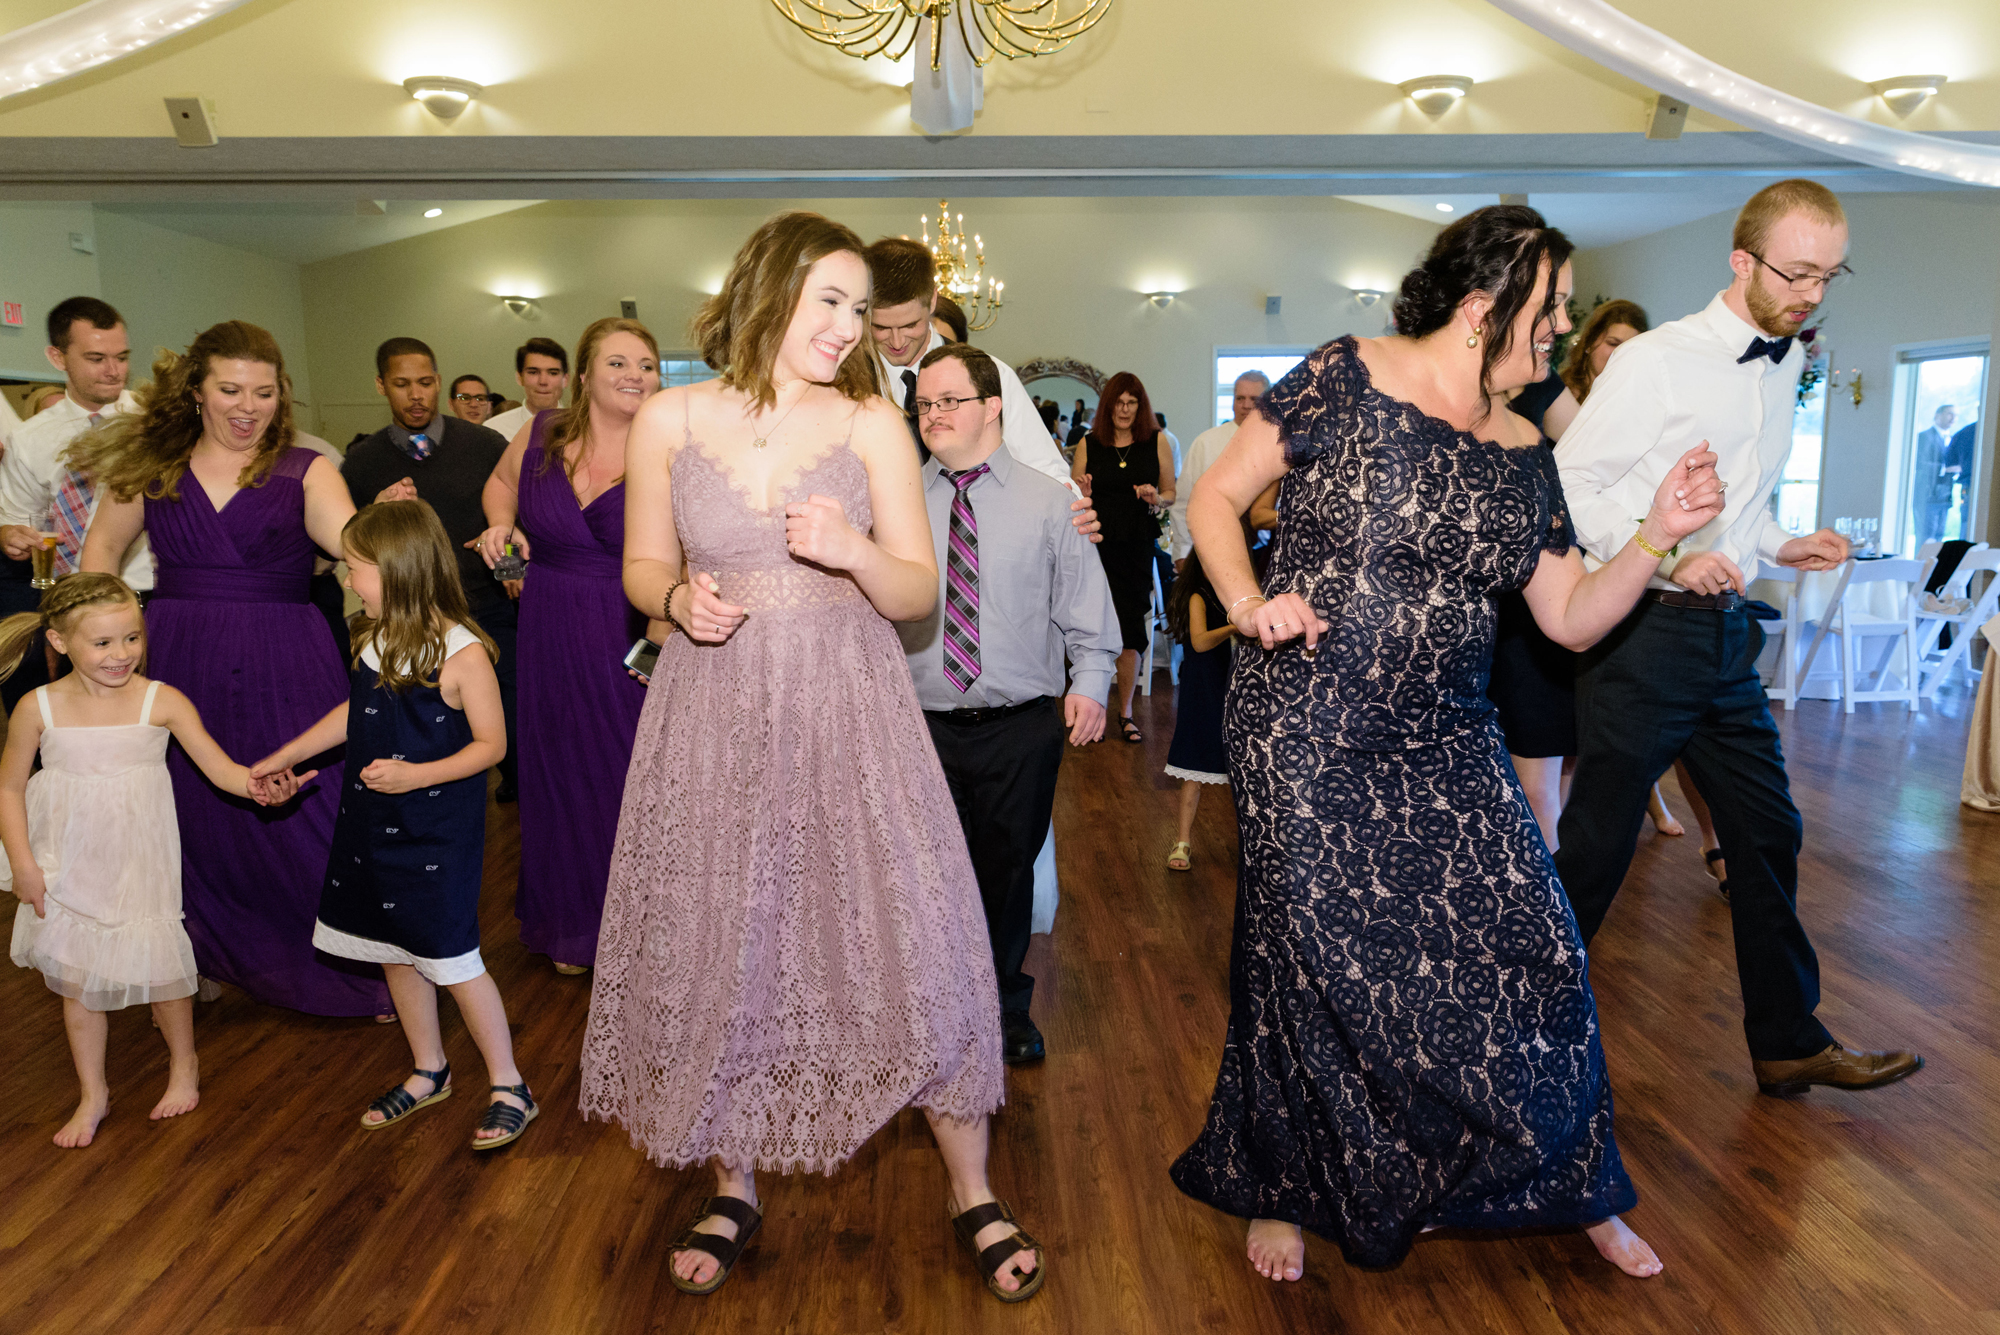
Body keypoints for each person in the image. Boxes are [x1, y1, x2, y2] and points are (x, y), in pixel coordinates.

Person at [1172, 204, 1729, 1283]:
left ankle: (1571, 1179)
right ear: (1484, 307)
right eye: (1551, 309)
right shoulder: (1345, 375)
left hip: (1445, 733)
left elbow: (1565, 615)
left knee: (1540, 943)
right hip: (1304, 723)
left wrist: (1657, 534)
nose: (1559, 330)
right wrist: (1246, 601)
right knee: (1305, 955)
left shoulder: (1524, 450)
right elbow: (1216, 494)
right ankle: (1280, 1185)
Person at [579, 211, 1040, 1303]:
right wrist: (673, 600)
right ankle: (733, 1178)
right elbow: (642, 564)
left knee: (908, 922)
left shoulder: (873, 423)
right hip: (713, 706)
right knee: (724, 929)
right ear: (768, 291)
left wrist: (852, 551)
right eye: (829, 302)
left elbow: (917, 595)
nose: (849, 327)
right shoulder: (670, 421)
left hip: (849, 701)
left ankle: (970, 1184)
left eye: (857, 307)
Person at [1552, 179, 1923, 1099]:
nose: (1812, 295)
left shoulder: (1782, 363)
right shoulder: (1657, 363)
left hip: (1724, 642)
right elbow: (1569, 486)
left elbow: (1739, 505)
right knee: (1596, 853)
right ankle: (1505, 1044)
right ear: (1741, 260)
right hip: (1640, 637)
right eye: (1798, 273)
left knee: (1768, 830)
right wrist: (1669, 558)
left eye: (1830, 277)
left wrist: (1775, 541)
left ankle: (1788, 1039)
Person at [76, 321, 388, 1018]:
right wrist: (94, 644)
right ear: (197, 391)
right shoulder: (151, 467)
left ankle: (341, 961)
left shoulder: (308, 470)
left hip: (287, 659)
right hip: (177, 654)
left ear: (283, 397)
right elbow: (100, 551)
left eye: (265, 392)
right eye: (230, 389)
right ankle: (204, 951)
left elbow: (348, 538)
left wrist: (382, 534)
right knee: (188, 813)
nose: (248, 406)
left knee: (308, 806)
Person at [249, 500, 532, 1147]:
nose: (349, 581)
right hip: (372, 825)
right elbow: (354, 713)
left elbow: (491, 745)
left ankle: (510, 1082)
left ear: (400, 571)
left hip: (435, 832)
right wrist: (286, 754)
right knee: (395, 953)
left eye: (357, 569)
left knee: (453, 958)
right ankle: (429, 1068)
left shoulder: (462, 654)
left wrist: (415, 774)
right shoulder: (373, 637)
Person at [0, 574, 299, 1147]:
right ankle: (93, 1093)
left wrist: (261, 787)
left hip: (141, 861)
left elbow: (224, 772)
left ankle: (183, 1065)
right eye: (104, 644)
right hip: (67, 861)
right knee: (78, 981)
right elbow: (11, 788)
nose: (121, 655)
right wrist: (23, 864)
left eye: (131, 639)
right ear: (61, 642)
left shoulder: (161, 700)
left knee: (162, 968)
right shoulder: (37, 709)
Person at [901, 342, 1118, 1067]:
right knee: (930, 875)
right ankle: (937, 1012)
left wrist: (1091, 684)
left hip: (1019, 723)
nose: (933, 415)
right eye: (924, 404)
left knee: (1007, 870)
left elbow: (1087, 611)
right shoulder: (898, 504)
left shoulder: (1052, 501)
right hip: (919, 721)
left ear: (993, 407)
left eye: (948, 401)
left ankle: (1001, 1008)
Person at [475, 317, 665, 975]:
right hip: (547, 626)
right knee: (554, 775)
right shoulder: (543, 430)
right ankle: (571, 922)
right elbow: (500, 490)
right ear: (584, 375)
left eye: (645, 364)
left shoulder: (668, 444)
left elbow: (694, 554)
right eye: (618, 363)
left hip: (627, 631)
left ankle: (642, 933)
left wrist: (658, 652)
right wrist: (504, 541)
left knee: (627, 777)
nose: (634, 375)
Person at [341, 338, 519, 801]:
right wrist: (375, 511)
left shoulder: (483, 445)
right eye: (402, 384)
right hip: (409, 623)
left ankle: (519, 796)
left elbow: (515, 519)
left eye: (425, 383)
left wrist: (511, 569)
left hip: (488, 606)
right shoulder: (361, 463)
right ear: (381, 386)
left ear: (439, 381)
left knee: (509, 715)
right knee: (418, 725)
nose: (416, 394)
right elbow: (351, 539)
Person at [0, 298, 145, 722]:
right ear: (57, 357)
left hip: (152, 589)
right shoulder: (31, 439)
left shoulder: (155, 421)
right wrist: (11, 537)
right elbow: (16, 519)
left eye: (121, 357)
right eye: (96, 358)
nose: (113, 370)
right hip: (71, 599)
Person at [1072, 372, 1175, 741]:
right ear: (1108, 406)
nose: (1125, 409)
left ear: (1140, 406)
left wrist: (1156, 499)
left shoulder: (1156, 442)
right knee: (1096, 627)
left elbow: (1170, 493)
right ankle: (1092, 706)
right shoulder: (1089, 444)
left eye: (1132, 403)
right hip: (1096, 548)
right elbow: (1074, 497)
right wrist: (1082, 490)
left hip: (1135, 546)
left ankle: (1126, 712)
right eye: (1119, 402)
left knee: (1131, 629)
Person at [1162, 549, 1235, 872]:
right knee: (1194, 761)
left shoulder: (1229, 596)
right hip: (1203, 685)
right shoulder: (1198, 597)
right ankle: (1182, 840)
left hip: (1226, 681)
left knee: (1238, 763)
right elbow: (1200, 641)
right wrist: (1234, 628)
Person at [1171, 372, 1269, 567]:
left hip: (1265, 551)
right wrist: (1182, 553)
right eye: (1240, 398)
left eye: (1254, 399)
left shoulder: (1278, 445)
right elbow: (1184, 501)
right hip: (1212, 550)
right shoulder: (1206, 443)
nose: (1246, 405)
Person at [486, 338, 571, 443]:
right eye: (533, 372)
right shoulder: (494, 429)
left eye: (553, 373)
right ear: (519, 378)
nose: (543, 381)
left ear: (565, 380)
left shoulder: (582, 429)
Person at [1913, 405, 1961, 544]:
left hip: (1945, 496)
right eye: (1950, 414)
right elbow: (1919, 463)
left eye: (1956, 415)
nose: (1953, 418)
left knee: (1939, 536)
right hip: (1926, 495)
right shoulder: (1924, 437)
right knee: (1925, 537)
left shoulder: (1953, 439)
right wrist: (1944, 469)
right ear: (1937, 415)